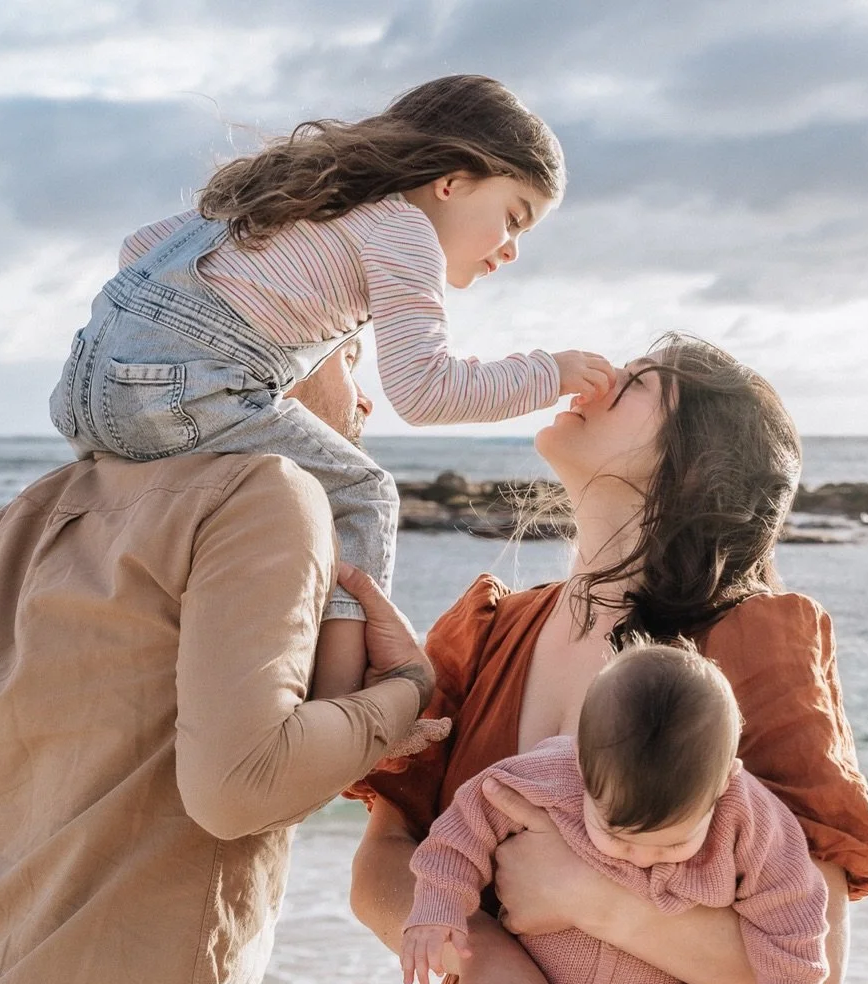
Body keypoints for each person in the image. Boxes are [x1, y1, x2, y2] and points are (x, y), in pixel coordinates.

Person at [0, 338, 437, 984]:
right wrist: (403, 691)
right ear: (278, 350)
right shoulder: (266, 489)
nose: (366, 397)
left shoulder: (34, 511)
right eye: (351, 357)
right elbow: (243, 787)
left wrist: (58, 789)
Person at [349, 333, 868, 984]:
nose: (595, 379)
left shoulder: (753, 637)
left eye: (636, 382)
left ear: (695, 462)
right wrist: (488, 954)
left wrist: (588, 897)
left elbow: (822, 959)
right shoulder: (486, 630)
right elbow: (384, 858)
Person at [47, 74, 615, 703]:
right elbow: (428, 392)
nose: (511, 251)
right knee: (364, 491)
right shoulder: (404, 230)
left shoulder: (298, 200)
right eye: (514, 219)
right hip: (183, 392)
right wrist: (549, 373)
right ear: (451, 182)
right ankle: (338, 703)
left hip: (83, 388)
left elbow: (139, 246)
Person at [400, 638, 829, 984]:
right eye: (618, 836)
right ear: (582, 768)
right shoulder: (552, 775)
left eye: (672, 844)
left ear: (722, 790)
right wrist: (439, 905)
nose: (642, 858)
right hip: (548, 983)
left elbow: (793, 918)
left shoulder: (749, 820)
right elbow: (462, 830)